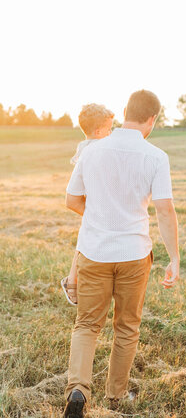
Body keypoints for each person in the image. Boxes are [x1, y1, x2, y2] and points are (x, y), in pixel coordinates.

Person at [62, 90, 179, 418]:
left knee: (86, 324)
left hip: (94, 252)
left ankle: (78, 390)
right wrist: (175, 257)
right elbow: (165, 211)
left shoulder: (93, 151)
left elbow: (72, 200)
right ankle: (116, 393)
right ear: (152, 119)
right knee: (126, 326)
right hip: (133, 254)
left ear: (125, 111)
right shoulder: (156, 156)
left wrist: (97, 213)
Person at [61, 103, 114, 306]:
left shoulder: (88, 147)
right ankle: (72, 280)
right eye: (109, 129)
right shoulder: (93, 149)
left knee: (85, 241)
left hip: (94, 202)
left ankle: (74, 279)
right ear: (99, 131)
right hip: (93, 203)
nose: (111, 133)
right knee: (84, 243)